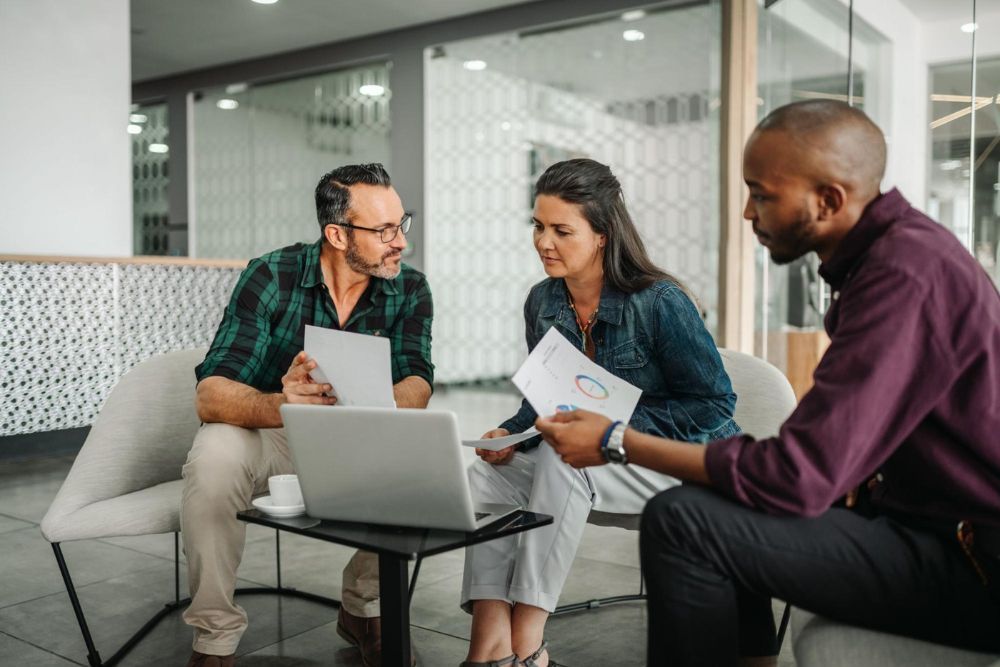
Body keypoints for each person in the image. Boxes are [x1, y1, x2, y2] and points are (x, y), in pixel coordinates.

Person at [536, 100, 1000, 666]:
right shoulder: (893, 257)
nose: (748, 213)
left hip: (972, 560)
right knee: (722, 495)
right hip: (925, 526)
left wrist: (616, 440)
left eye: (762, 194)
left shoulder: (905, 276)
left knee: (681, 521)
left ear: (827, 201)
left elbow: (799, 478)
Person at [461, 158, 740, 667]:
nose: (544, 242)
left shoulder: (660, 302)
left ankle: (528, 644)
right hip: (598, 459)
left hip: (675, 463)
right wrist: (513, 431)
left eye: (562, 231)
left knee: (564, 463)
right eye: (538, 226)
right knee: (488, 476)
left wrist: (612, 430)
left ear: (603, 235)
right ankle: (489, 644)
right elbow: (544, 397)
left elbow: (714, 404)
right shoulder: (542, 302)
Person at [182, 163, 434, 667]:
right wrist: (283, 403)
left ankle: (364, 608)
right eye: (383, 230)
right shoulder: (271, 274)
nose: (400, 242)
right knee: (213, 455)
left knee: (420, 462)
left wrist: (368, 403)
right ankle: (214, 637)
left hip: (356, 435)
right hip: (274, 433)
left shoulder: (410, 289)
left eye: (401, 223)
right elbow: (211, 395)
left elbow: (419, 382)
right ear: (337, 234)